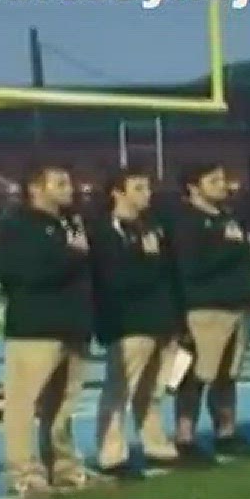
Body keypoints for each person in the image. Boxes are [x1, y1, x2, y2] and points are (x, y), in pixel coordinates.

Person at [0, 164, 103, 497]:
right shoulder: (16, 226)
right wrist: (72, 255)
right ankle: (22, 472)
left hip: (73, 325)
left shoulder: (70, 224)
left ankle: (64, 465)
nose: (69, 188)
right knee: (24, 403)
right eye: (60, 183)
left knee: (64, 404)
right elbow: (24, 272)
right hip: (35, 328)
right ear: (35, 189)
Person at [169, 162, 250, 462]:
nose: (222, 185)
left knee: (228, 374)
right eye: (213, 180)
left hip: (237, 307)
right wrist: (227, 250)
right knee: (197, 375)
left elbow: (248, 259)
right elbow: (189, 265)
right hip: (205, 308)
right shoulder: (186, 221)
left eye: (223, 179)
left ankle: (226, 431)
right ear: (193, 187)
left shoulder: (228, 218)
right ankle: (185, 436)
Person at [88, 169, 182, 480]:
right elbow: (113, 277)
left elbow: (169, 272)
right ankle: (111, 453)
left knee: (153, 390)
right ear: (118, 192)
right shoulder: (105, 229)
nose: (147, 194)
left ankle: (157, 445)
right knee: (120, 390)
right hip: (128, 321)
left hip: (160, 319)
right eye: (138, 188)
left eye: (148, 187)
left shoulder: (153, 226)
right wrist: (147, 260)